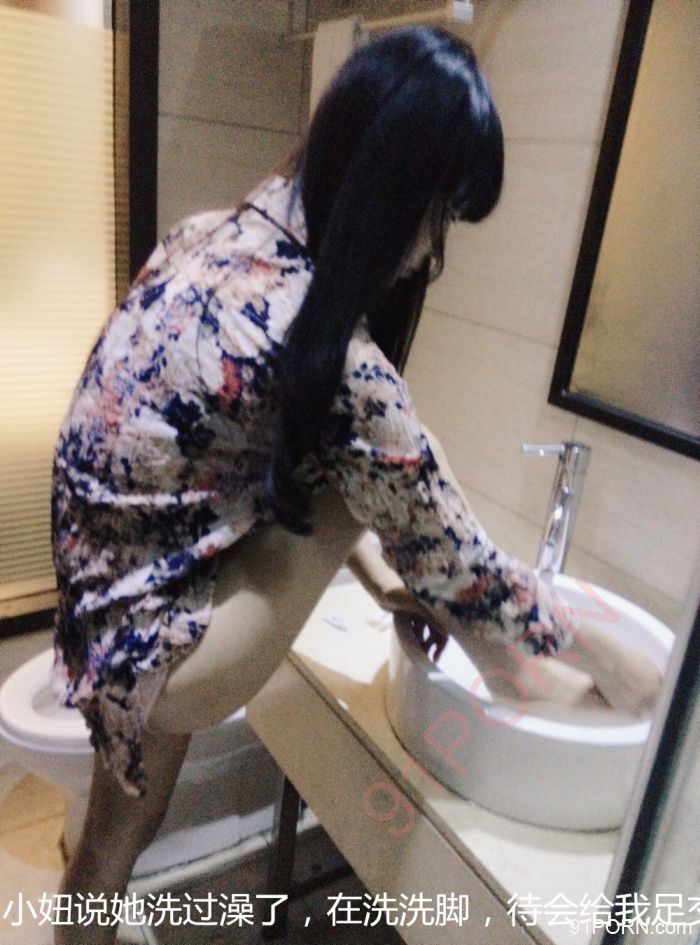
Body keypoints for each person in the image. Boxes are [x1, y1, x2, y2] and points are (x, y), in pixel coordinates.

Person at [50, 26, 662, 945]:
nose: (429, 249)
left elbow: (197, 461)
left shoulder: (203, 236)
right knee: (396, 476)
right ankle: (500, 654)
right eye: (438, 212)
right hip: (166, 642)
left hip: (103, 603)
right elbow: (468, 569)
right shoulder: (341, 365)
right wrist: (625, 665)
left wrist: (380, 577)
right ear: (396, 194)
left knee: (111, 840)